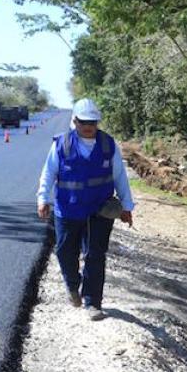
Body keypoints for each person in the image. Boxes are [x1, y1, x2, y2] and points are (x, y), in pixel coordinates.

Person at [36, 98, 135, 321]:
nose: (88, 126)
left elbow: (120, 177)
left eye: (92, 122)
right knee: (65, 251)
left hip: (99, 210)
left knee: (95, 255)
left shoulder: (109, 145)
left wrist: (126, 207)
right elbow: (49, 173)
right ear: (75, 121)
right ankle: (72, 285)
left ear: (97, 122)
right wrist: (43, 199)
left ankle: (92, 303)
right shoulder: (62, 144)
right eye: (83, 122)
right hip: (68, 209)